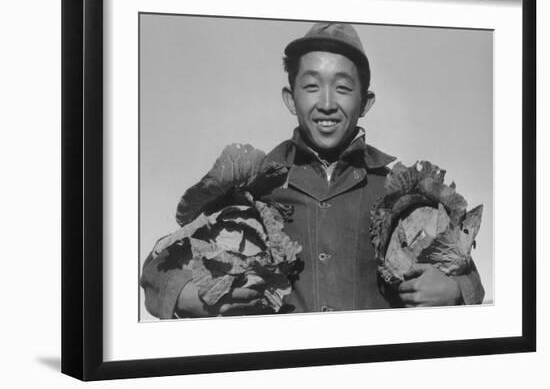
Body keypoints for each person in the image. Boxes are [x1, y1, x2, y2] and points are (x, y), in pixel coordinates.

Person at [140, 22, 484, 318]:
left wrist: (454, 290)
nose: (327, 103)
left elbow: (468, 279)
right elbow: (160, 267)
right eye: (311, 85)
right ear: (291, 98)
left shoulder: (398, 193)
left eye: (344, 87)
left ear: (365, 102)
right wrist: (192, 294)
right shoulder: (252, 187)